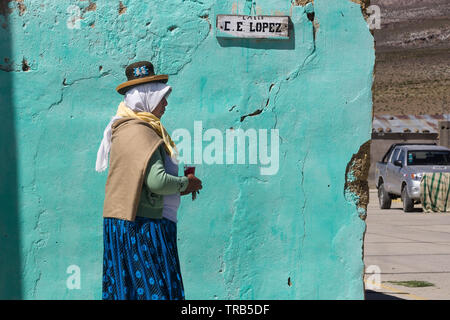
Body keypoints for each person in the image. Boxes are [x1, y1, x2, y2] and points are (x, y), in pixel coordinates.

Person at [95, 61, 202, 300]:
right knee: (155, 291)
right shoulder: (141, 131)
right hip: (142, 227)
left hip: (121, 223)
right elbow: (157, 182)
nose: (165, 104)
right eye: (161, 97)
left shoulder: (122, 127)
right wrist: (188, 184)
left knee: (127, 291)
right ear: (147, 97)